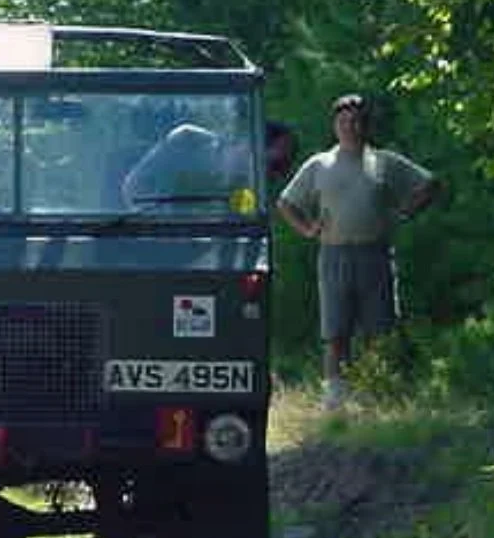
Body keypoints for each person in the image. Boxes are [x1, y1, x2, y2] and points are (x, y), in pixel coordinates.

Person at [276, 93, 440, 410]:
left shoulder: (383, 161)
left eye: (357, 121)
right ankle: (336, 400)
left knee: (380, 330)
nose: (351, 127)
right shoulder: (319, 164)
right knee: (335, 331)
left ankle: (378, 395)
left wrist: (404, 213)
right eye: (344, 121)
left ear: (367, 125)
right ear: (334, 125)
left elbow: (429, 184)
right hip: (334, 254)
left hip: (375, 254)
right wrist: (308, 229)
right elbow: (285, 203)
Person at [120, 118, 295, 208]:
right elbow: (133, 187)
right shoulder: (187, 140)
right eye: (260, 160)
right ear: (247, 142)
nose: (253, 171)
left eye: (268, 169)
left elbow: (240, 239)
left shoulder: (244, 197)